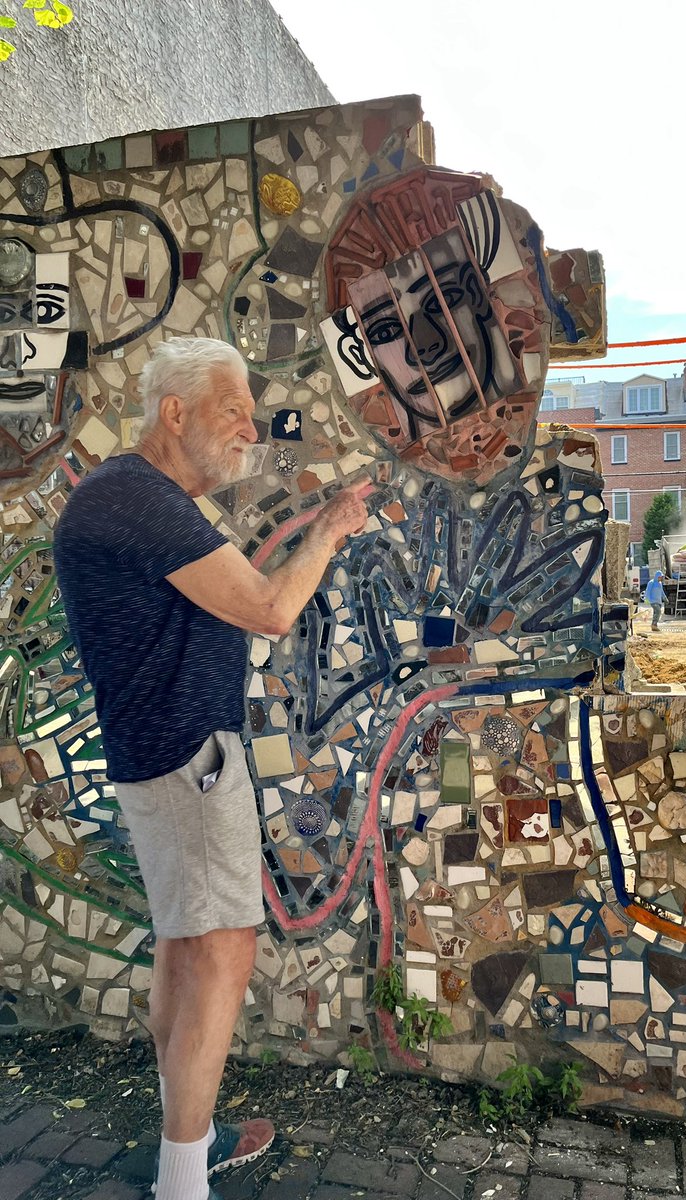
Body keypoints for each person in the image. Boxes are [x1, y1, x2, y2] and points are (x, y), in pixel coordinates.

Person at [53, 336, 371, 1200]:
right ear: (175, 412)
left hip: (157, 758)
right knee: (222, 952)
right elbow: (268, 608)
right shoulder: (140, 499)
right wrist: (334, 530)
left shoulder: (126, 497)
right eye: (233, 405)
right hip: (187, 763)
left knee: (184, 954)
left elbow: (227, 597)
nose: (250, 423)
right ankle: (184, 1180)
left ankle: (184, 1141)